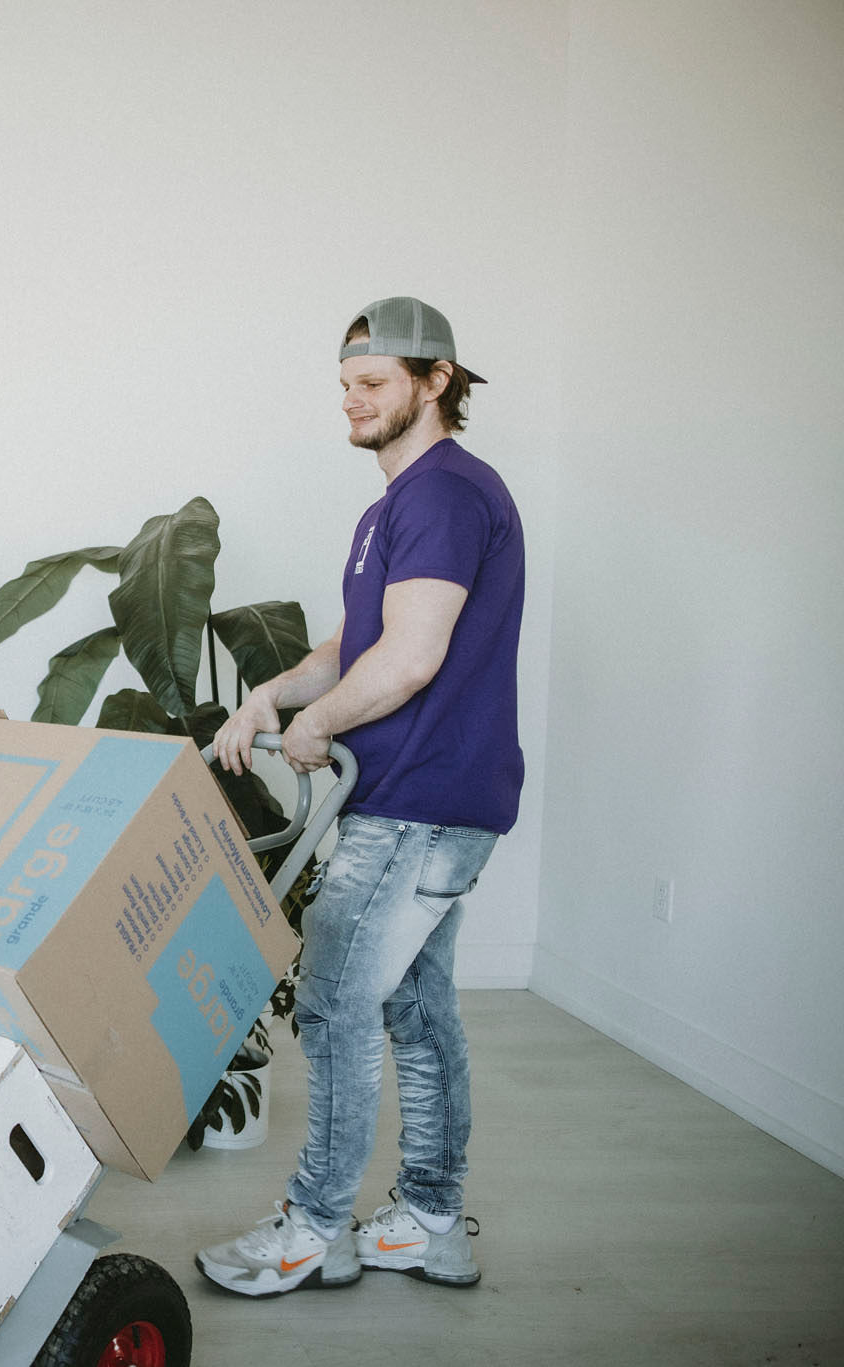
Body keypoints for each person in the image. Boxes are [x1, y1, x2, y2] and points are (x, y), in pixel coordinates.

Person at [197, 297, 524, 1297]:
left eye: (373, 382)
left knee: (335, 1003)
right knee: (417, 1015)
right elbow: (357, 644)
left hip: (416, 799)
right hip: (424, 798)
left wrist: (320, 724)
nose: (352, 401)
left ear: (435, 382)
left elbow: (413, 657)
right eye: (344, 383)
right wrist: (272, 694)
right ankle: (429, 1220)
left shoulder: (444, 493)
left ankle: (312, 1226)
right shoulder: (392, 506)